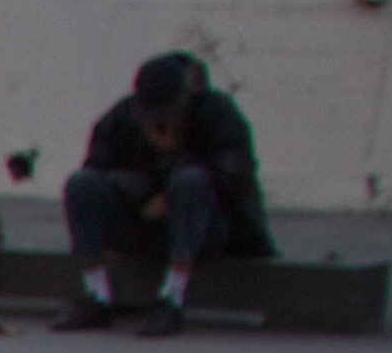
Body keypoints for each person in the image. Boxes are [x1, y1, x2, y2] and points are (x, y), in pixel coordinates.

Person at [61, 51, 270, 336]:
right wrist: (141, 196)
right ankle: (97, 296)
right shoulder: (123, 117)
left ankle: (172, 298)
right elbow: (96, 168)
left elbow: (236, 180)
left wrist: (173, 159)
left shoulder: (217, 113)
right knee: (80, 184)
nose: (159, 123)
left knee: (191, 181)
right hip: (141, 222)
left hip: (203, 228)